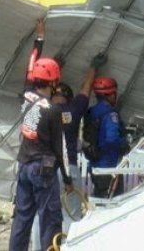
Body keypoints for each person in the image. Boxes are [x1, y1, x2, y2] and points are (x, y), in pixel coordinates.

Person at [9, 57, 73, 251]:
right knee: (50, 219)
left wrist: (39, 40)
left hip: (25, 167)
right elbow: (60, 148)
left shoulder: (26, 98)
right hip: (43, 169)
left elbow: (29, 74)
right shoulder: (52, 110)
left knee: (22, 217)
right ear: (53, 83)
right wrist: (68, 178)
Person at [51, 52, 107, 227]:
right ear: (69, 98)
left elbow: (38, 87)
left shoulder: (43, 108)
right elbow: (86, 88)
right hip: (69, 168)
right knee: (72, 215)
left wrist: (55, 67)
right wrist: (93, 67)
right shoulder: (74, 110)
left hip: (47, 169)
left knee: (43, 216)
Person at [87, 77, 129, 198]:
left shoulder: (91, 112)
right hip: (108, 167)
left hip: (94, 165)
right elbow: (111, 139)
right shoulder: (111, 114)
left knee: (99, 197)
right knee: (111, 202)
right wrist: (124, 144)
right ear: (110, 95)